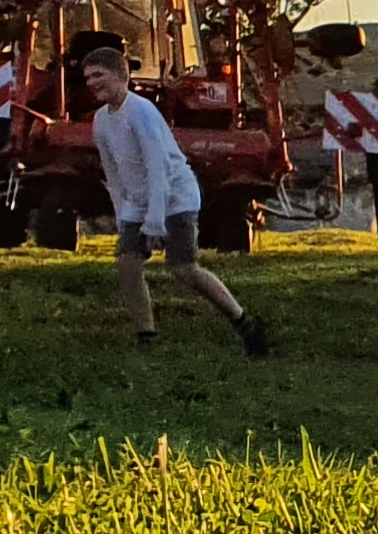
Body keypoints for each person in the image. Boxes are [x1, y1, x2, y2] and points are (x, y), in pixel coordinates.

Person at [82, 35, 269, 357]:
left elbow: (158, 168)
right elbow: (112, 172)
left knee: (184, 270)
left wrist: (155, 221)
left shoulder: (141, 112)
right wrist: (124, 213)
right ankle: (147, 338)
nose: (91, 83)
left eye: (98, 75)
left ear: (121, 75)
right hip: (139, 203)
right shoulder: (101, 121)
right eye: (87, 78)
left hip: (175, 197)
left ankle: (245, 324)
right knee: (128, 266)